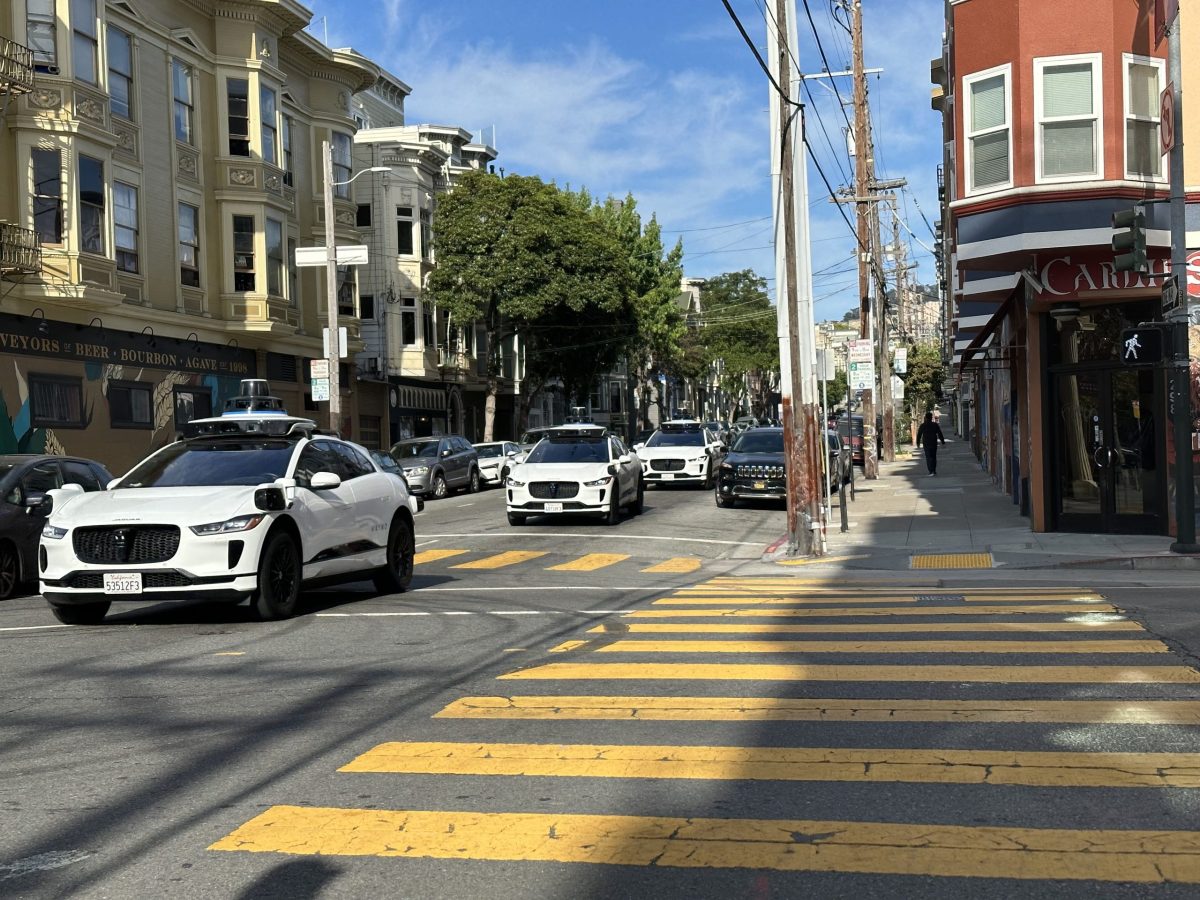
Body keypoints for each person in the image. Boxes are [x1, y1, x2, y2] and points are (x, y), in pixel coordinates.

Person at [915, 411, 946, 475]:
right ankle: (934, 470)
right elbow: (939, 433)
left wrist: (917, 443)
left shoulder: (923, 425)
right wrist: (942, 442)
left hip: (926, 443)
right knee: (933, 457)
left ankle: (930, 471)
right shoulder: (935, 425)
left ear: (926, 418)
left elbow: (919, 435)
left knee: (928, 457)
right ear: (931, 418)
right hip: (933, 443)